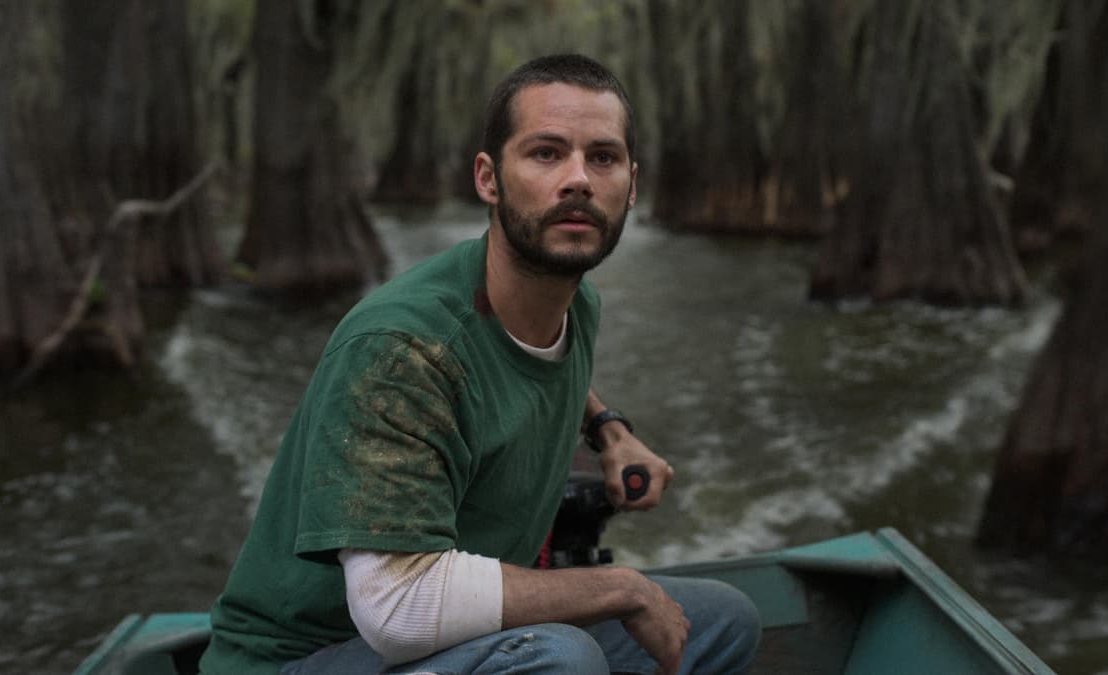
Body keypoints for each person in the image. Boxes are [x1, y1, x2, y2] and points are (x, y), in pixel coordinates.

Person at [199, 53, 760, 675]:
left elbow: (530, 364)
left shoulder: (575, 304)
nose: (577, 178)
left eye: (601, 158)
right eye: (546, 153)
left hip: (443, 643)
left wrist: (610, 430)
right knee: (559, 658)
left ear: (632, 184)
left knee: (723, 620)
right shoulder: (400, 350)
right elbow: (398, 609)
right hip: (305, 657)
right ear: (488, 178)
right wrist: (620, 588)